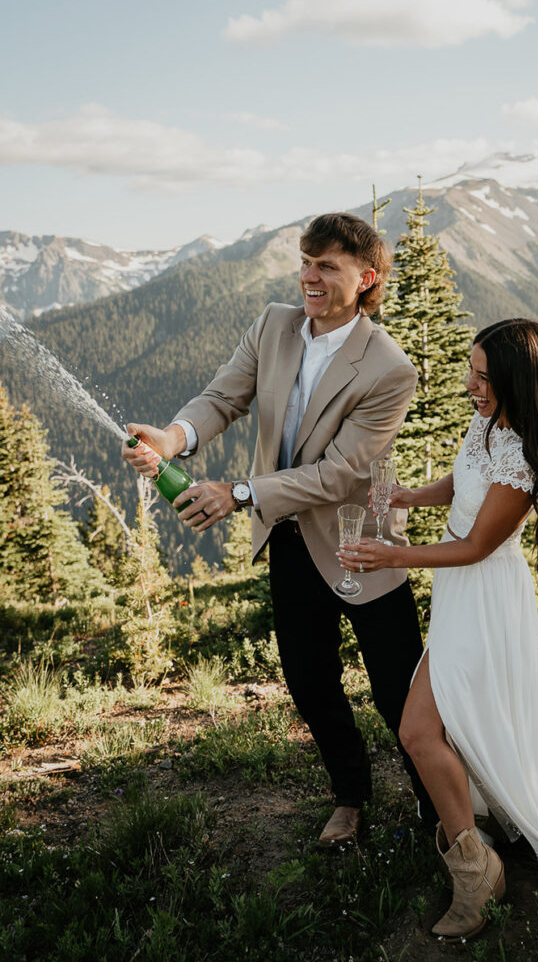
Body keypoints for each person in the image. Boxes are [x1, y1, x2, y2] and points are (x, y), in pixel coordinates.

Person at [122, 212, 437, 846]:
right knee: (309, 679)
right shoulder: (273, 323)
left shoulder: (389, 368)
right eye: (305, 262)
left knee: (397, 690)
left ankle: (441, 809)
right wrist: (174, 437)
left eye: (327, 267)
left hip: (362, 543)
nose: (309, 278)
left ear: (366, 277)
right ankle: (350, 796)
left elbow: (343, 473)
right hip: (289, 540)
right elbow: (221, 398)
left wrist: (239, 493)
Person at [338, 318, 538, 940]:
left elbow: (477, 545)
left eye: (482, 375)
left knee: (419, 730)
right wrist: (406, 498)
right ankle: (481, 837)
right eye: (470, 370)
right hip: (458, 595)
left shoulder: (525, 455)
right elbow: (462, 481)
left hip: (485, 596)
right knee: (449, 721)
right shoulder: (488, 423)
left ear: (516, 382)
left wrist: (393, 555)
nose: (470, 384)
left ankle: (478, 871)